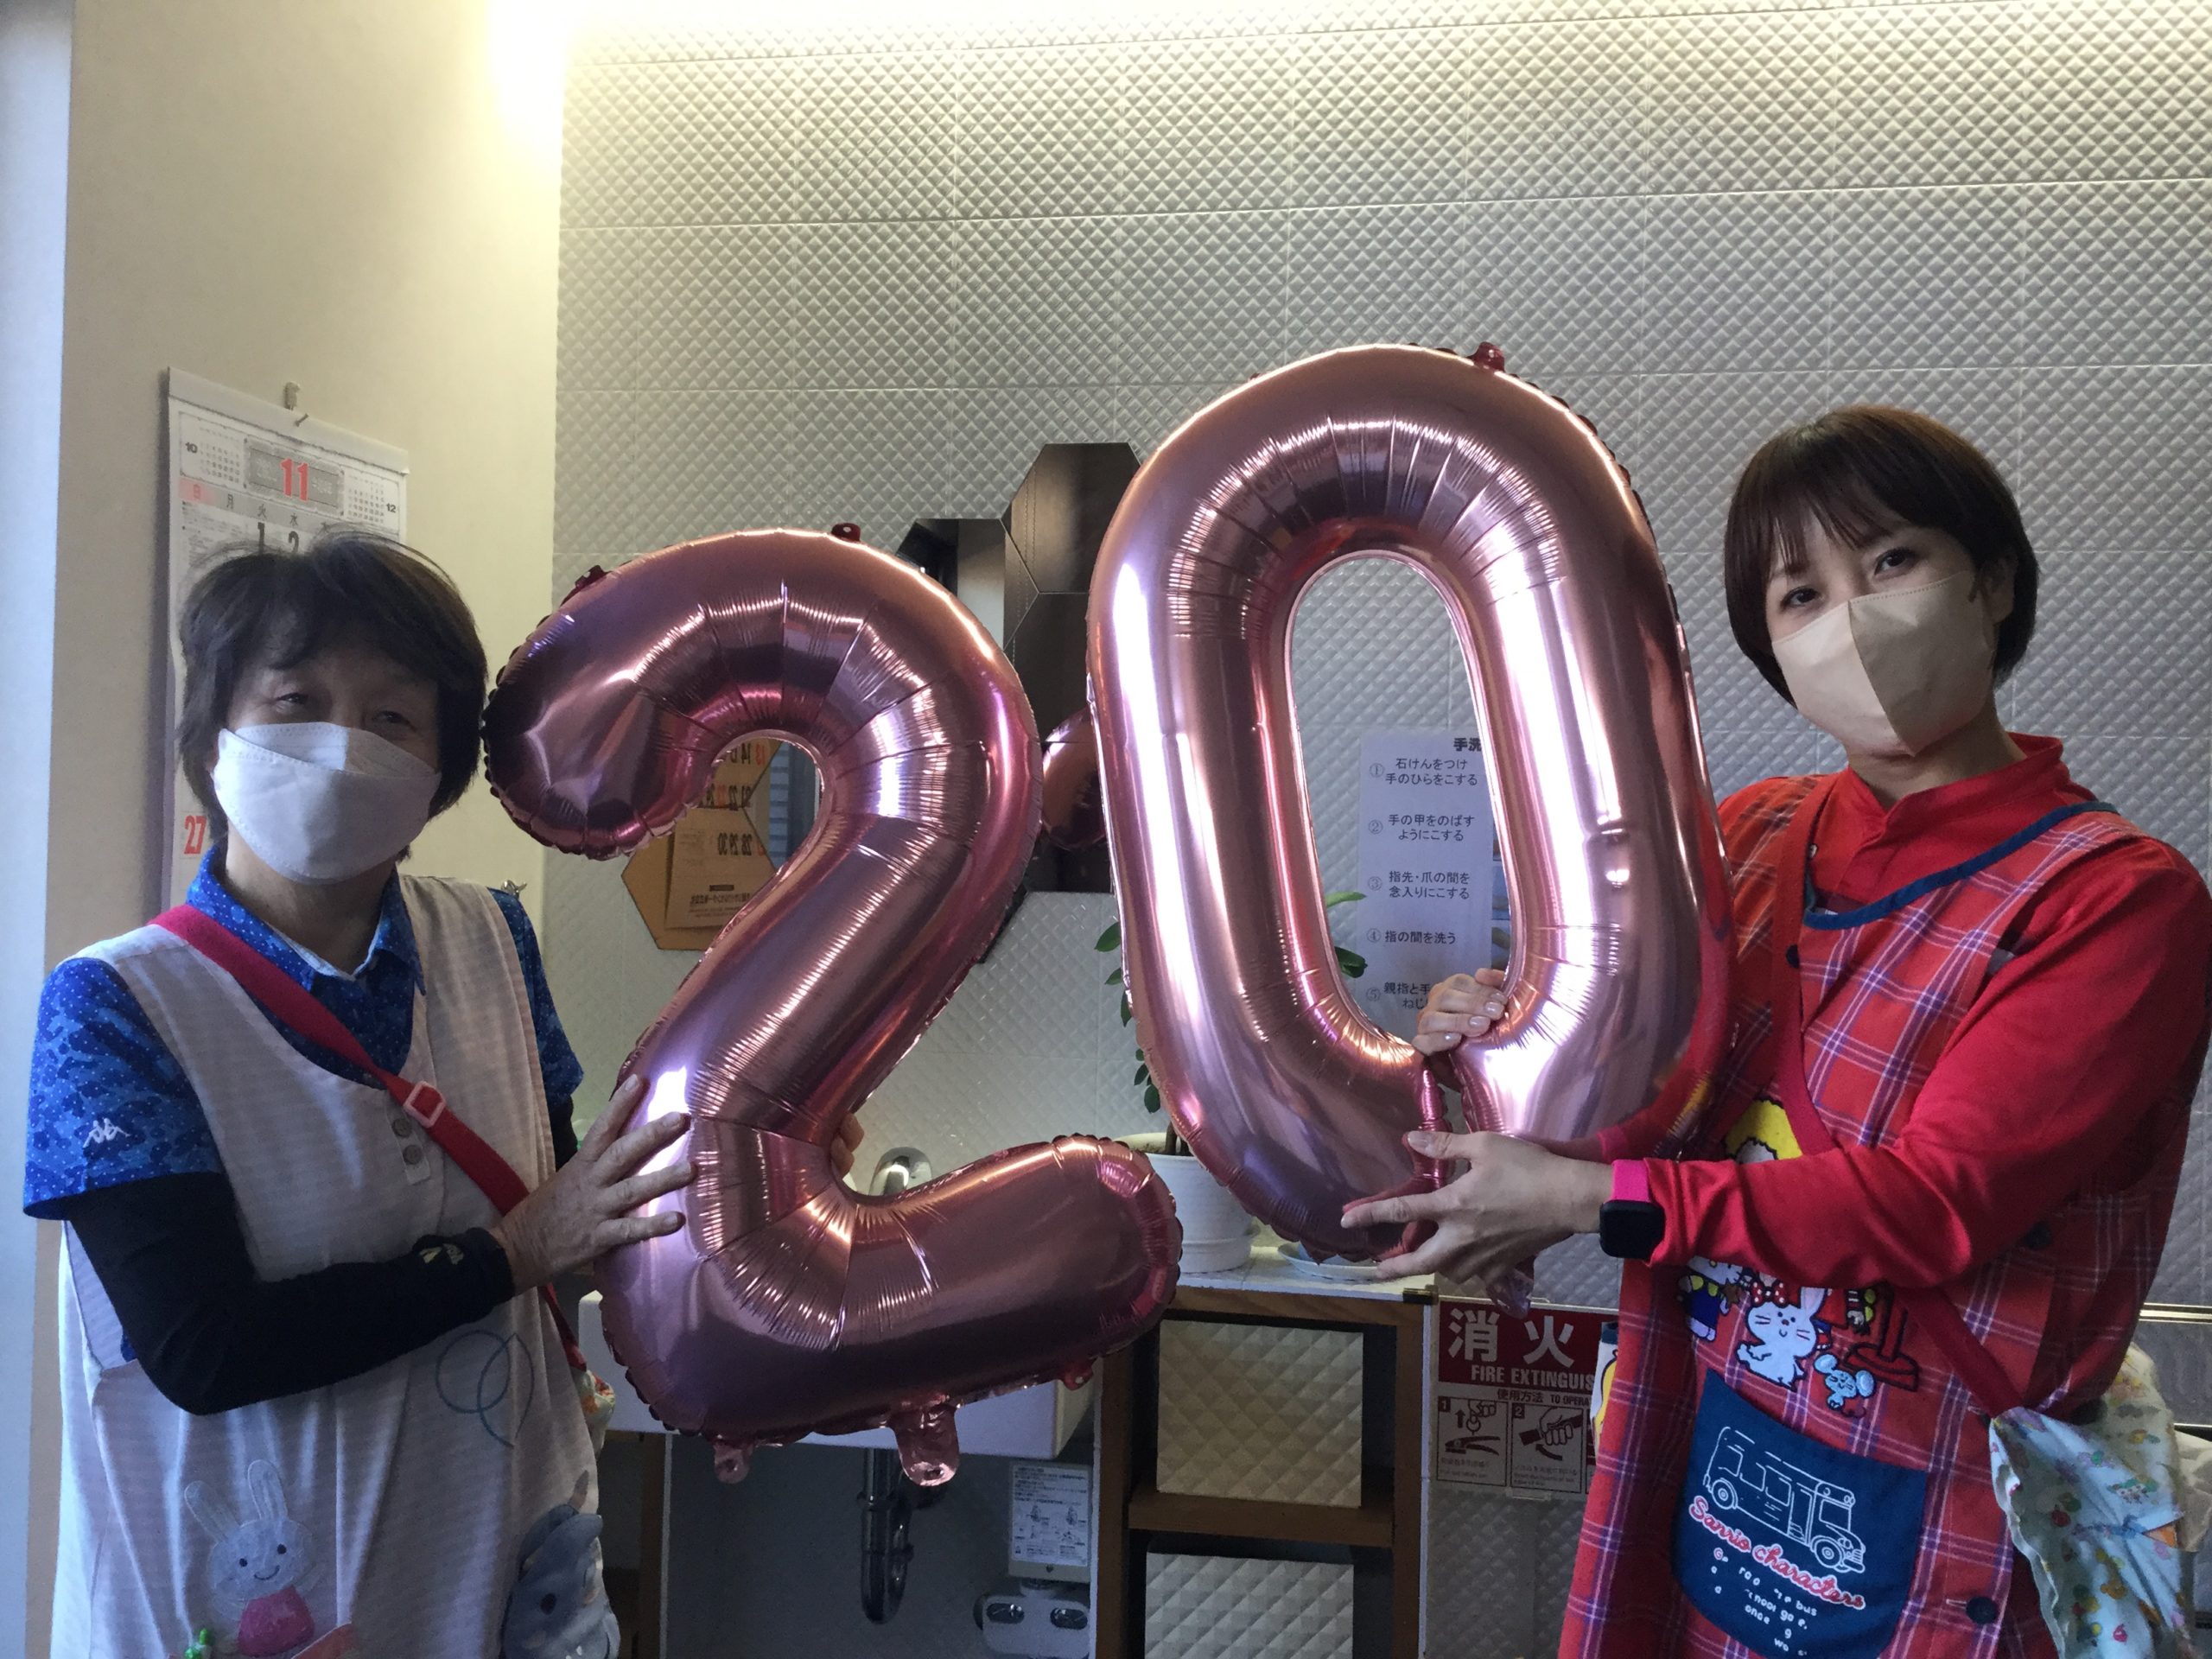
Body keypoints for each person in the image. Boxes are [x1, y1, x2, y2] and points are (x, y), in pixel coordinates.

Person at [1344, 409, 2212, 1656]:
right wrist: (1492, 1045)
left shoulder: (2114, 902)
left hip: (1937, 1502)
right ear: (1771, 649)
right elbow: (1634, 1103)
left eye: (1893, 561)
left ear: (1993, 583)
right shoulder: (1749, 835)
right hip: (1717, 1456)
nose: (1852, 622)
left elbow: (1934, 1205)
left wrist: (1582, 1200)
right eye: (1801, 595)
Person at [25, 531, 861, 1657]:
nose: (341, 747)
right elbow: (204, 1348)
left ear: (441, 772)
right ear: (213, 735)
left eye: (392, 716)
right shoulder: (114, 1004)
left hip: (510, 1576)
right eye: (296, 701)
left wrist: (759, 1166)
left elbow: (570, 1210)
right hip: (249, 1609)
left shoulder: (491, 938)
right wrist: (509, 1255)